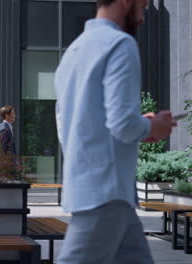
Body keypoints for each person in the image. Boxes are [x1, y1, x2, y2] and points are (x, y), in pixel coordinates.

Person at [54, 0, 177, 263]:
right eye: (142, 7)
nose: (143, 18)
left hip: (94, 189)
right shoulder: (120, 44)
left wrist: (140, 125)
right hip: (107, 192)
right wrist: (153, 125)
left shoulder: (73, 52)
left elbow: (72, 127)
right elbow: (123, 125)